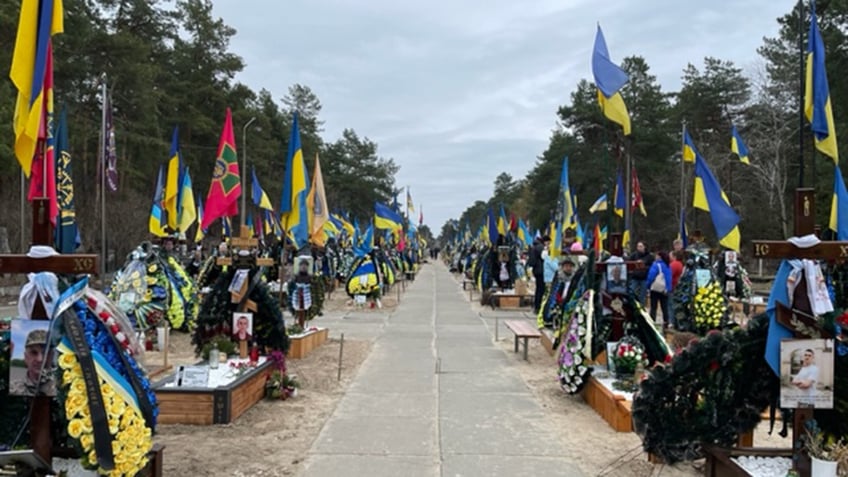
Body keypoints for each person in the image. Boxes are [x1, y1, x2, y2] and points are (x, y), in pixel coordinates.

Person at [10, 329, 56, 396]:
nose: (40, 359)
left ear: (52, 356)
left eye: (45, 353)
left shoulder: (64, 390)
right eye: (34, 353)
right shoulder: (12, 389)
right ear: (26, 357)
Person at [647, 251, 673, 328]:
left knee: (653, 307)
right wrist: (668, 288)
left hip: (655, 289)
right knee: (664, 307)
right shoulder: (667, 266)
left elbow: (651, 276)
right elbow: (669, 278)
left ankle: (652, 323)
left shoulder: (656, 265)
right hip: (664, 289)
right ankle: (666, 323)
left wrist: (648, 286)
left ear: (659, 257)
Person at [529, 236, 550, 314]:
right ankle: (538, 306)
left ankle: (536, 306)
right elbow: (545, 258)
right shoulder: (541, 248)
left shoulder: (534, 247)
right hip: (541, 270)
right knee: (541, 289)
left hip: (536, 270)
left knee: (538, 289)